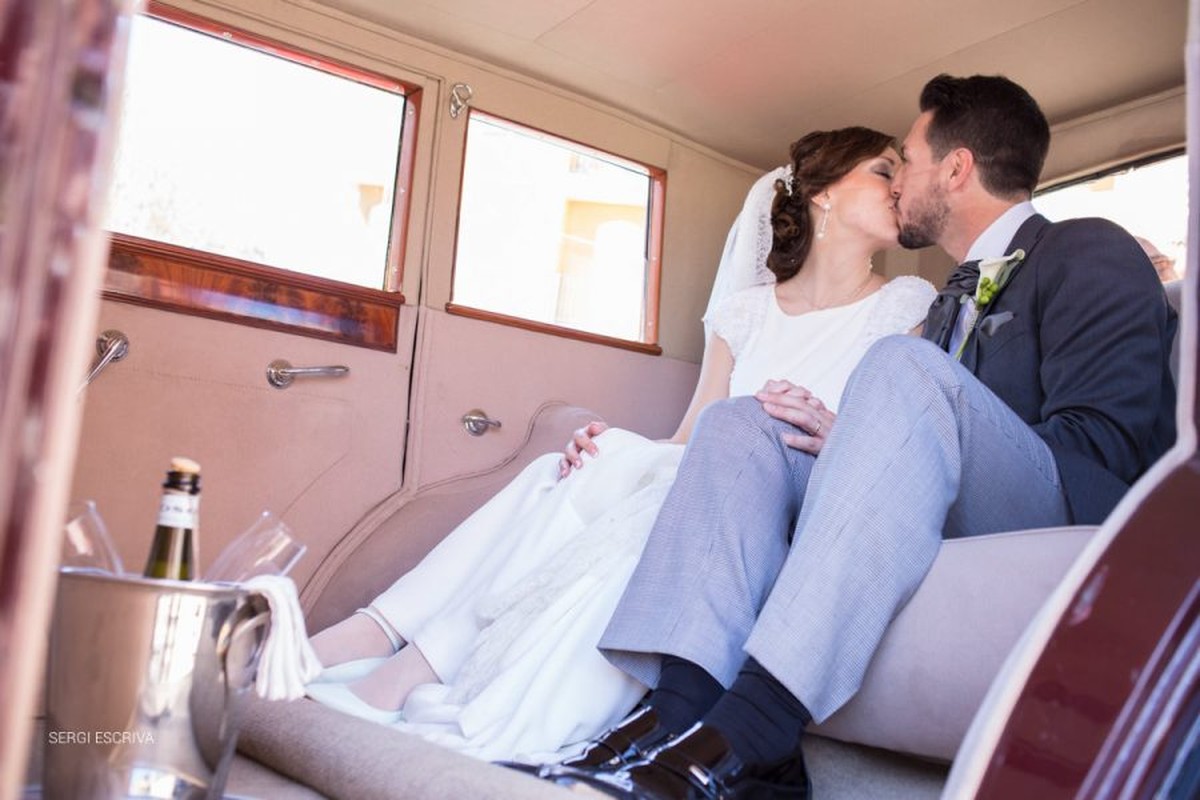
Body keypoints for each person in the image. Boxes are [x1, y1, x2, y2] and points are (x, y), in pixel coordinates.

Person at [541, 74, 1177, 800]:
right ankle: (674, 714)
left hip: (1069, 506)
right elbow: (929, 432)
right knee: (744, 423)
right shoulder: (947, 300)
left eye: (907, 160)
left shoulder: (1085, 248)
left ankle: (757, 728)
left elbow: (1102, 449)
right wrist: (861, 442)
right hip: (938, 500)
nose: (897, 181)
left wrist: (910, 433)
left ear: (955, 169)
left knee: (901, 364)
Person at [304, 126, 937, 761]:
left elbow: (890, 442)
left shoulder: (906, 304)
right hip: (706, 469)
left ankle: (406, 662)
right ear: (823, 194)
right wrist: (608, 448)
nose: (900, 186)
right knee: (566, 466)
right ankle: (378, 636)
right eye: (884, 171)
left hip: (783, 495)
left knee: (651, 497)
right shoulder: (745, 312)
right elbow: (690, 436)